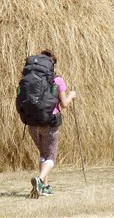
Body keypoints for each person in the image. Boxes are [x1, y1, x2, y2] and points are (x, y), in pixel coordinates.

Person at [27, 49, 76, 198]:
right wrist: (72, 95)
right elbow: (64, 104)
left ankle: (45, 187)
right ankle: (40, 180)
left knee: (43, 153)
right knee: (51, 157)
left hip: (32, 123)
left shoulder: (30, 79)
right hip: (50, 122)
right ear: (52, 64)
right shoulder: (57, 80)